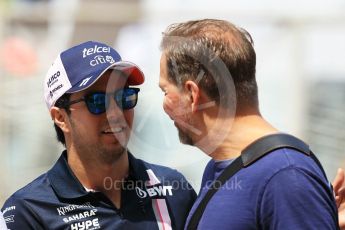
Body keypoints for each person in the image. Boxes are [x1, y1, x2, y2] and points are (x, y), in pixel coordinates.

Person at [159, 19, 340, 229]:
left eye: (165, 91)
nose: (164, 105)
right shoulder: (221, 168)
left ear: (192, 94)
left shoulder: (287, 176)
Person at [1, 41, 196, 229]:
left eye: (123, 97)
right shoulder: (27, 212)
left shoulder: (173, 189)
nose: (115, 113)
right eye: (97, 101)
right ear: (61, 117)